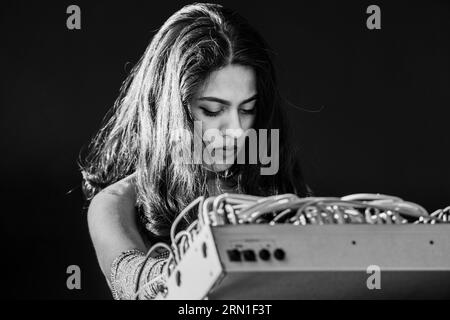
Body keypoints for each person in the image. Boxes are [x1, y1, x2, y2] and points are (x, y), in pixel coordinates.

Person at [79, 2, 311, 300]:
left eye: (248, 109)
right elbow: (137, 287)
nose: (237, 130)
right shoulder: (116, 204)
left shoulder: (273, 189)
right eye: (213, 110)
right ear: (172, 110)